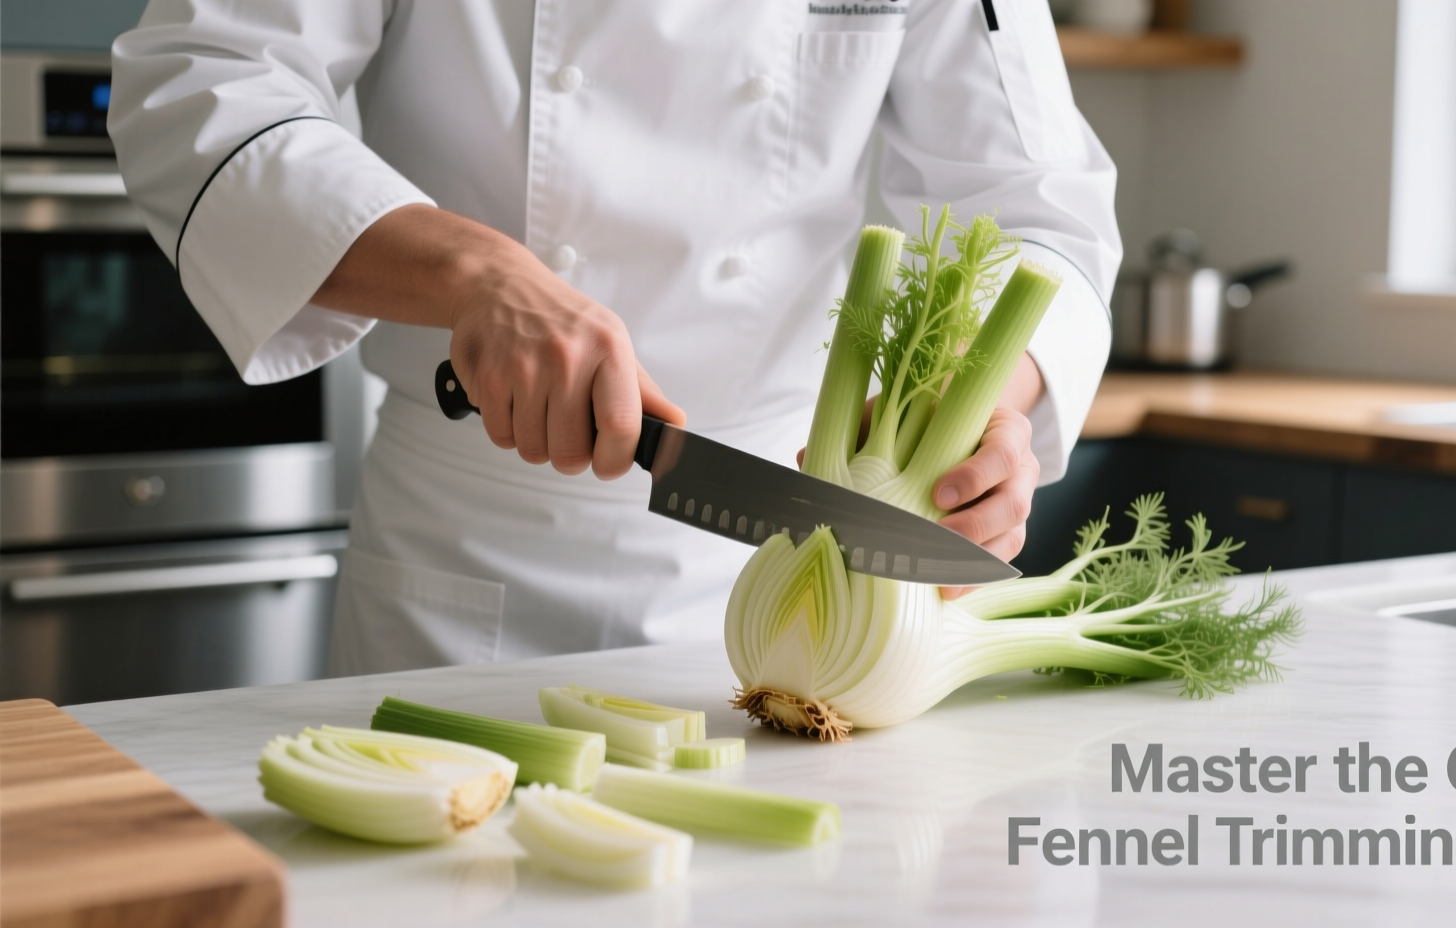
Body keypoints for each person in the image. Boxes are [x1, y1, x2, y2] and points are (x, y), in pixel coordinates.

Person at [109, 1, 1120, 675]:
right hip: (463, 576)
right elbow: (201, 86)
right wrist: (475, 273)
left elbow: (1033, 199)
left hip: (793, 580)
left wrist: (974, 399)